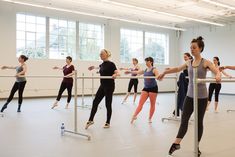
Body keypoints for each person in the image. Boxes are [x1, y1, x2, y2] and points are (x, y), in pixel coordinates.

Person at [157, 36, 221, 156]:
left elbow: (216, 70)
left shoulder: (206, 62)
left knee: (199, 122)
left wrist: (218, 75)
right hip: (190, 96)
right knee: (184, 120)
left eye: (194, 47)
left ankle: (196, 146)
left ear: (200, 48)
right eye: (191, 47)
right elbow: (177, 68)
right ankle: (177, 143)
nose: (192, 49)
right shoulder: (189, 62)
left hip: (202, 97)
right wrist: (165, 72)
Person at [85, 49, 120, 129]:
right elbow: (101, 68)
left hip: (109, 87)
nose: (100, 55)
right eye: (100, 54)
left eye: (102, 54)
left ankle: (108, 122)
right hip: (102, 86)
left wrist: (116, 74)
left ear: (107, 55)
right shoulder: (102, 65)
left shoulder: (111, 64)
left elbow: (117, 72)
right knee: (95, 102)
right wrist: (93, 67)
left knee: (108, 104)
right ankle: (91, 120)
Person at [129, 57, 159, 124]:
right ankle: (134, 116)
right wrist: (129, 71)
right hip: (145, 88)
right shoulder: (145, 70)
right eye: (145, 62)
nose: (145, 63)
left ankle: (150, 118)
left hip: (153, 88)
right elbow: (137, 71)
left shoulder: (154, 69)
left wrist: (157, 77)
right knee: (140, 103)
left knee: (152, 104)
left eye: (147, 61)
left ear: (151, 62)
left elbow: (158, 76)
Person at [173, 52, 192, 117]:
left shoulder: (189, 62)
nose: (184, 58)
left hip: (187, 84)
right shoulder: (187, 63)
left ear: (189, 57)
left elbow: (179, 69)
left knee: (183, 97)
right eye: (184, 57)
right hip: (184, 83)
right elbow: (179, 68)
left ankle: (179, 111)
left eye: (185, 57)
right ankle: (179, 111)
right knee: (182, 96)